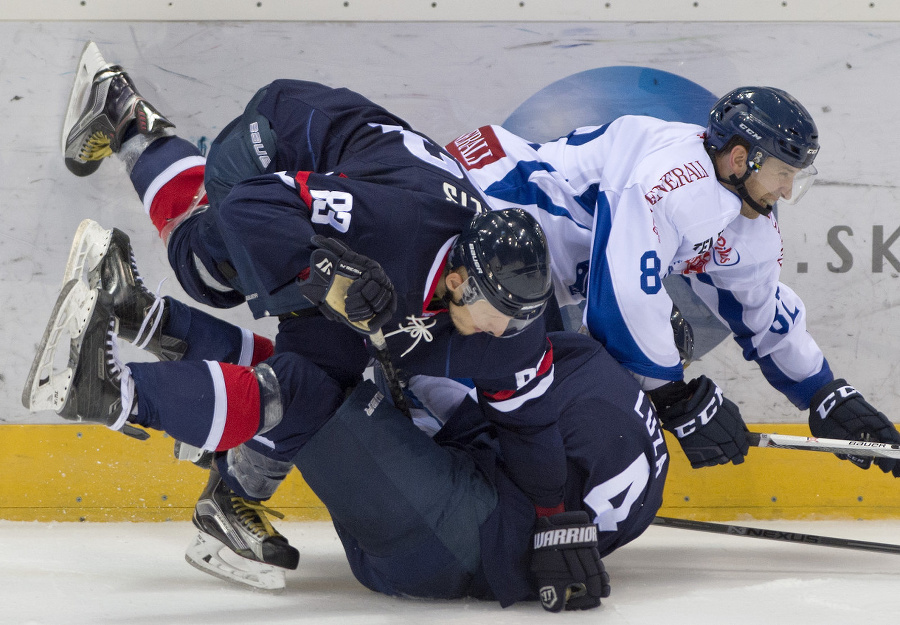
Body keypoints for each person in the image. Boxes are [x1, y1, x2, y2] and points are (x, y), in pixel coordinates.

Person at [25, 41, 592, 603]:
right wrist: (325, 269)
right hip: (281, 140)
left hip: (355, 199)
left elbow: (532, 424)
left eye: (518, 320)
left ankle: (165, 398)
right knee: (210, 272)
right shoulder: (395, 228)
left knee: (317, 381)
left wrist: (553, 518)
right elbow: (252, 205)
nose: (503, 332)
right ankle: (126, 123)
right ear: (459, 279)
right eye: (497, 314)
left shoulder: (513, 330)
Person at [445, 88, 900, 477]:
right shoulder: (673, 181)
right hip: (484, 197)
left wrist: (824, 393)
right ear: (742, 158)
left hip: (531, 248)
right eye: (783, 172)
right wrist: (673, 396)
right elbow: (624, 294)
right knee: (474, 390)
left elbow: (758, 307)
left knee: (526, 391)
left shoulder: (739, 210)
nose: (786, 191)